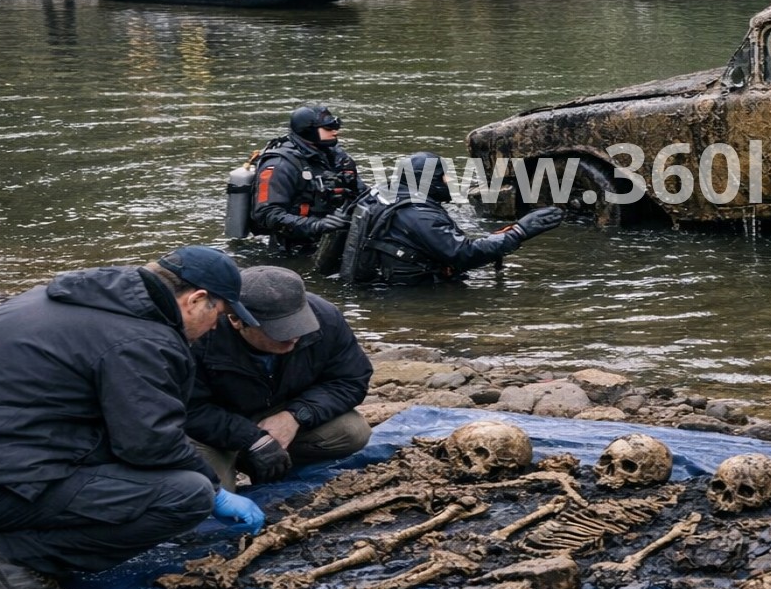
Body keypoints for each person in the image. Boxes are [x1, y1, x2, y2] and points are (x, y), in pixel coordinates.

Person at [0, 246, 267, 589]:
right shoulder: (142, 339)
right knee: (187, 495)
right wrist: (216, 490)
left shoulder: (56, 299)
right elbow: (150, 444)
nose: (216, 326)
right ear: (196, 299)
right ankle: (9, 555)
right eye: (219, 314)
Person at [186, 267, 373, 488]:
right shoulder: (199, 334)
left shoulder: (325, 317)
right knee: (206, 495)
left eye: (298, 324)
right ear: (236, 320)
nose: (293, 336)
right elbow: (186, 409)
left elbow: (351, 380)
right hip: (215, 429)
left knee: (353, 431)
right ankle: (238, 463)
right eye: (279, 330)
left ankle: (268, 460)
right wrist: (252, 439)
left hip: (276, 409)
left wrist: (296, 415)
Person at [351, 152, 561, 285]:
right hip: (410, 293)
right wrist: (518, 232)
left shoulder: (381, 193)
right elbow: (462, 254)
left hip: (380, 281)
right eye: (444, 176)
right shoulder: (418, 214)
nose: (450, 180)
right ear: (429, 181)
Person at [249, 103, 363, 254]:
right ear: (308, 131)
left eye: (335, 127)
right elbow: (267, 214)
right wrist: (316, 225)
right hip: (291, 248)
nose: (335, 132)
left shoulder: (335, 156)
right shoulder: (280, 164)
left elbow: (360, 192)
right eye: (328, 128)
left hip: (334, 239)